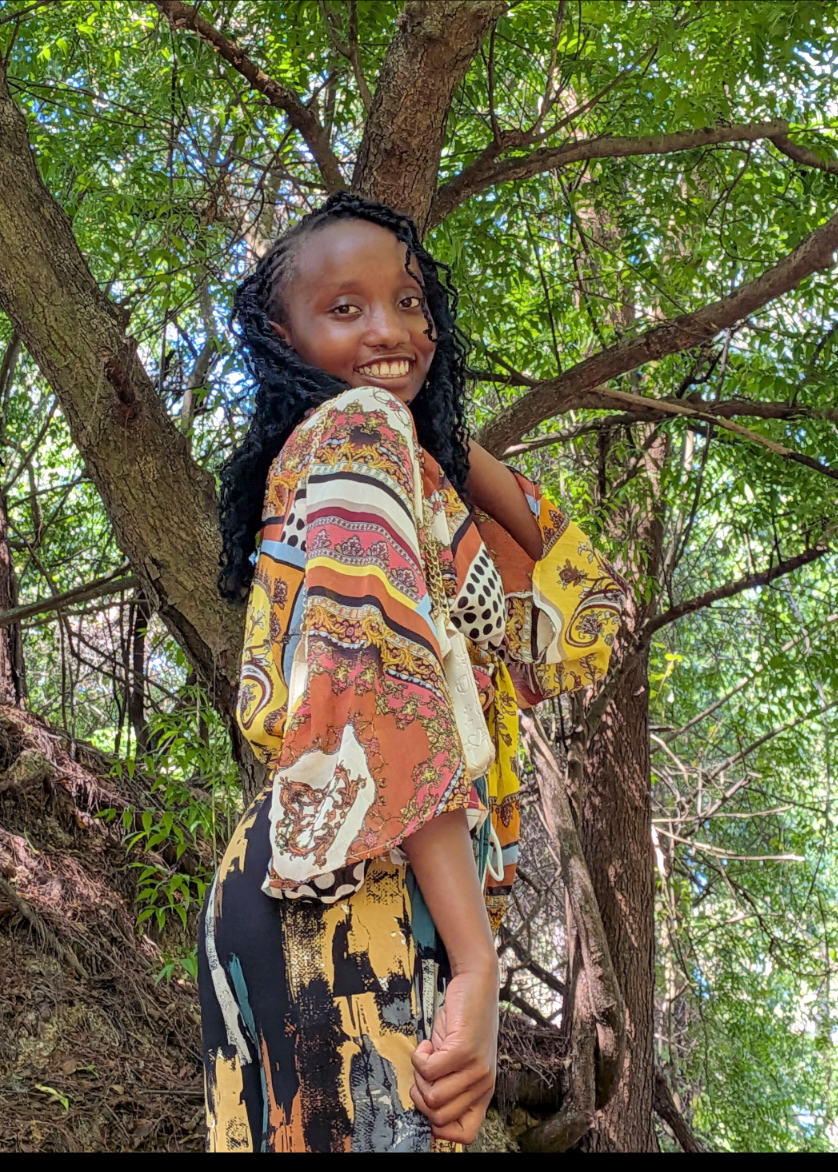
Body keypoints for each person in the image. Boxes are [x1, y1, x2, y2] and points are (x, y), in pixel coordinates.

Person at [201, 191, 626, 1153]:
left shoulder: (399, 466)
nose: (391, 330)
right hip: (354, 899)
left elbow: (587, 611)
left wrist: (439, 431)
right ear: (282, 339)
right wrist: (477, 966)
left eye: (408, 302)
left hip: (327, 890)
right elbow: (382, 690)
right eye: (345, 308)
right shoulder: (356, 430)